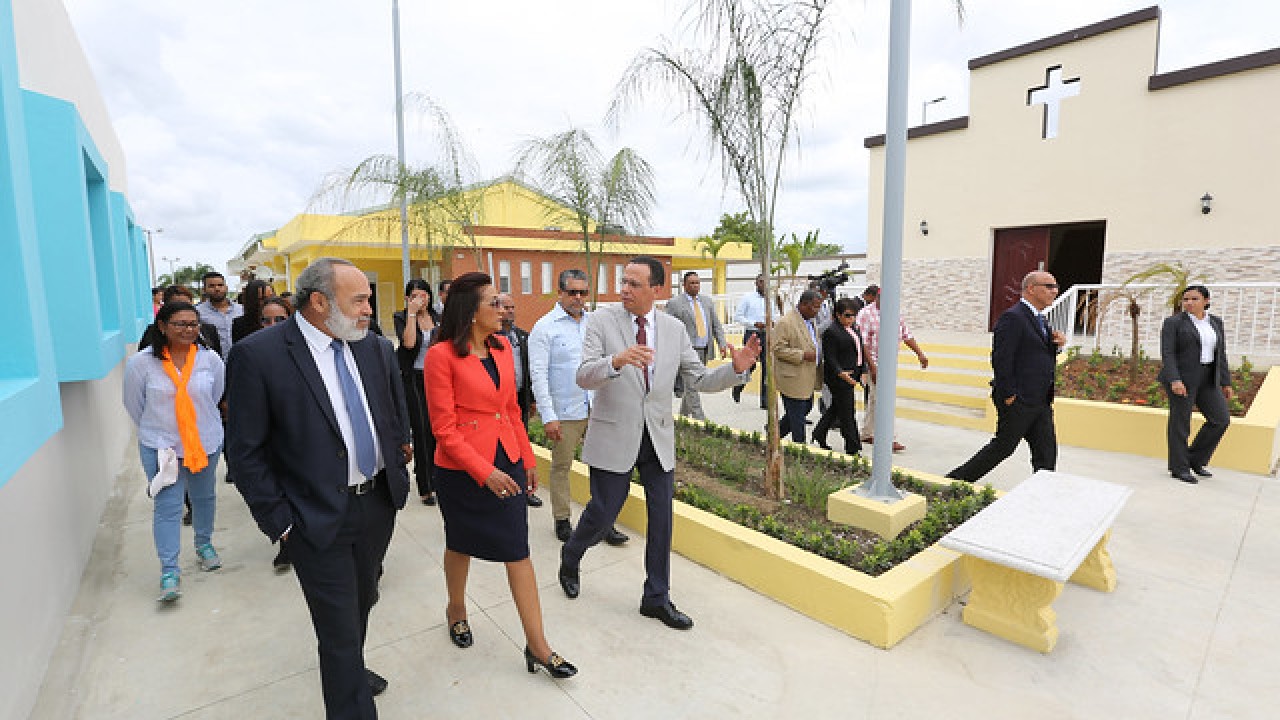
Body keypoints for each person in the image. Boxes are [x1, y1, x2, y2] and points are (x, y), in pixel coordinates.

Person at [225, 257, 411, 718]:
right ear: (319, 302)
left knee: (362, 601)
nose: (370, 308)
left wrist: (398, 456)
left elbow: (392, 410)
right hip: (312, 517)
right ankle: (350, 693)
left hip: (376, 505)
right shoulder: (259, 355)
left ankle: (347, 667)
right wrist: (281, 523)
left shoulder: (373, 348)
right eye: (360, 300)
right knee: (337, 626)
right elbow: (245, 452)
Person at [558, 256, 760, 630]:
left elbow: (697, 379)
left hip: (657, 436)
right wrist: (616, 361)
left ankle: (656, 597)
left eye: (634, 284)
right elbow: (584, 376)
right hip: (614, 433)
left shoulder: (672, 329)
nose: (625, 290)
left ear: (656, 290)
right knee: (603, 514)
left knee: (662, 519)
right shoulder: (601, 321)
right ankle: (571, 555)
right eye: (623, 282)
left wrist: (737, 368)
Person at [425, 272, 577, 679]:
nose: (502, 308)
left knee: (517, 549)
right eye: (493, 302)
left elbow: (511, 408)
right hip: (461, 471)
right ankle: (456, 608)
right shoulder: (441, 356)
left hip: (506, 460)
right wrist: (483, 471)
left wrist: (527, 458)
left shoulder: (505, 347)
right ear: (470, 311)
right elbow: (443, 429)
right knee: (459, 544)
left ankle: (538, 646)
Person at [123, 301, 226, 602]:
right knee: (168, 507)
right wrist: (161, 430)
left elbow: (215, 396)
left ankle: (204, 544)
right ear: (163, 326)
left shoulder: (211, 360)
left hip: (204, 442)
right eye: (180, 324)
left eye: (193, 324)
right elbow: (134, 405)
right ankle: (169, 570)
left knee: (204, 496)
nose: (188, 329)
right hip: (161, 447)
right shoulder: (142, 364)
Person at [528, 269, 629, 545]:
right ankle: (562, 519)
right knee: (562, 466)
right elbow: (538, 375)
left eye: (583, 292)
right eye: (572, 292)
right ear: (560, 292)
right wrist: (549, 416)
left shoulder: (595, 323)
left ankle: (603, 522)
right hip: (566, 411)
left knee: (605, 467)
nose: (578, 298)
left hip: (599, 407)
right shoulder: (544, 328)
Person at [947, 271, 1065, 483]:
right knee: (1003, 447)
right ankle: (955, 481)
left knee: (1046, 453)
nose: (1055, 291)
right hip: (1019, 401)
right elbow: (1001, 359)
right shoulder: (1013, 317)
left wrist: (1057, 346)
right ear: (1031, 288)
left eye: (1056, 286)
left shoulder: (1040, 319)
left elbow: (1035, 355)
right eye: (1049, 286)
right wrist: (1009, 395)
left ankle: (1043, 492)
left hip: (1040, 401)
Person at [1158, 285, 1232, 484]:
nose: (1189, 303)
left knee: (1220, 419)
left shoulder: (1215, 322)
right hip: (1182, 378)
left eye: (1194, 299)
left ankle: (1194, 460)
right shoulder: (1173, 323)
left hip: (1208, 377)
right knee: (1181, 423)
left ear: (1206, 301)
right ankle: (1179, 467)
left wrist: (1226, 382)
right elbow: (1168, 353)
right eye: (1186, 299)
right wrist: (1174, 379)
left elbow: (1220, 354)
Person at [856, 290, 928, 452]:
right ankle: (889, 438)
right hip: (874, 362)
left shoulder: (895, 312)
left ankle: (867, 433)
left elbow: (906, 335)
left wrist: (920, 354)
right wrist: (872, 368)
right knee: (884, 399)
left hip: (890, 363)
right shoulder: (866, 314)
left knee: (876, 399)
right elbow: (863, 343)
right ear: (877, 299)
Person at [393, 279, 441, 506]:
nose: (422, 300)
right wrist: (412, 313)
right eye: (416, 295)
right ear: (408, 298)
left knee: (438, 431)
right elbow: (410, 344)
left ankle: (438, 477)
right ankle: (425, 485)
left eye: (425, 295)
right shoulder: (401, 317)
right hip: (413, 378)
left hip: (437, 378)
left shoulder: (439, 318)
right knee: (421, 430)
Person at [665, 271, 728, 420]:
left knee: (693, 384)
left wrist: (722, 344)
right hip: (687, 351)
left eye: (697, 282)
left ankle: (682, 417)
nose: (695, 286)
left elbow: (716, 325)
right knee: (692, 385)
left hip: (705, 348)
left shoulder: (706, 302)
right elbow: (667, 328)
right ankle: (700, 418)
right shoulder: (675, 304)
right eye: (692, 283)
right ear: (684, 285)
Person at [812, 297, 866, 455]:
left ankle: (819, 433)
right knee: (848, 412)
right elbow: (830, 357)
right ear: (838, 314)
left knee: (837, 408)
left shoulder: (853, 328)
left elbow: (859, 350)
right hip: (838, 378)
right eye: (848, 315)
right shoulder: (832, 332)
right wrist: (840, 373)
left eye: (854, 315)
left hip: (852, 374)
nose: (851, 319)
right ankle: (853, 446)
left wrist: (862, 370)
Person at [773, 290, 824, 444]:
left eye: (818, 307)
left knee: (803, 409)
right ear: (803, 305)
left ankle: (773, 436)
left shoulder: (810, 321)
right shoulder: (786, 322)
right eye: (814, 307)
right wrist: (802, 355)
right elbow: (777, 349)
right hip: (792, 378)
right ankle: (800, 449)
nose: (817, 311)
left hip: (807, 377)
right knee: (798, 419)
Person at [139, 285, 223, 357]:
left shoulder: (209, 330)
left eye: (187, 305)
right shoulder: (152, 332)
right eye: (176, 305)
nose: (182, 309)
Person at [733, 273, 770, 408]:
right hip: (752, 334)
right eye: (761, 282)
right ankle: (738, 387)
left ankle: (765, 401)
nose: (764, 284)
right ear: (756, 283)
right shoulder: (747, 298)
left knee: (767, 367)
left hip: (767, 334)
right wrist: (754, 323)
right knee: (750, 365)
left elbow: (776, 314)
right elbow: (738, 317)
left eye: (766, 282)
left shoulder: (771, 299)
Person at [195, 271, 242, 357]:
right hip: (214, 362)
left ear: (226, 287)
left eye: (220, 285)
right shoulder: (197, 312)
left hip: (240, 361)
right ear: (204, 290)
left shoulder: (241, 310)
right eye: (211, 286)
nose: (217, 289)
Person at [231, 278, 276, 343]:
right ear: (252, 300)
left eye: (272, 297)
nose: (270, 301)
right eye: (263, 299)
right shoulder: (240, 325)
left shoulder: (282, 319)